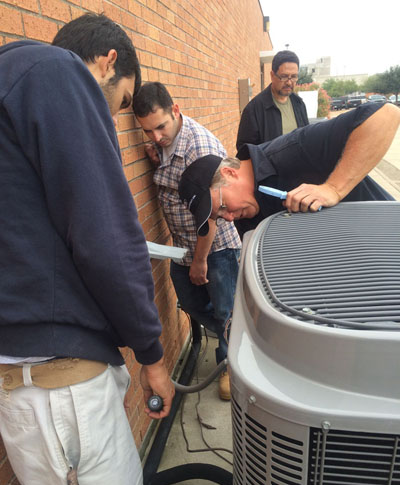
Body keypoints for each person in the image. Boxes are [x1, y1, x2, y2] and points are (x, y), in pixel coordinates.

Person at [0, 14, 174, 485]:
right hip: (62, 394)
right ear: (107, 62)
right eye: (122, 102)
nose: (117, 117)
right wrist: (153, 354)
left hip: (30, 390)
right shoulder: (55, 72)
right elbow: (105, 235)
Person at [132, 82, 241, 400]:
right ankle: (238, 336)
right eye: (147, 131)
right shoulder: (164, 141)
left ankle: (230, 367)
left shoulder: (199, 147)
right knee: (192, 304)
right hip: (182, 246)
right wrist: (157, 153)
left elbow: (212, 213)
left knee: (225, 312)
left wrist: (200, 261)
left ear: (175, 110)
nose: (155, 136)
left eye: (160, 127)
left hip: (215, 247)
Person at [179, 102, 400, 238]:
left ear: (229, 173)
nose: (228, 218)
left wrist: (333, 188)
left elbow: (386, 115)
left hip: (385, 238)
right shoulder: (244, 217)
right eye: (219, 216)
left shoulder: (293, 150)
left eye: (224, 206)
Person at [236, 50, 309, 152]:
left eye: (293, 77)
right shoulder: (254, 109)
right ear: (272, 75)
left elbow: (306, 139)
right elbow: (244, 151)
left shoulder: (299, 104)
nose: (289, 82)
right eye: (283, 77)